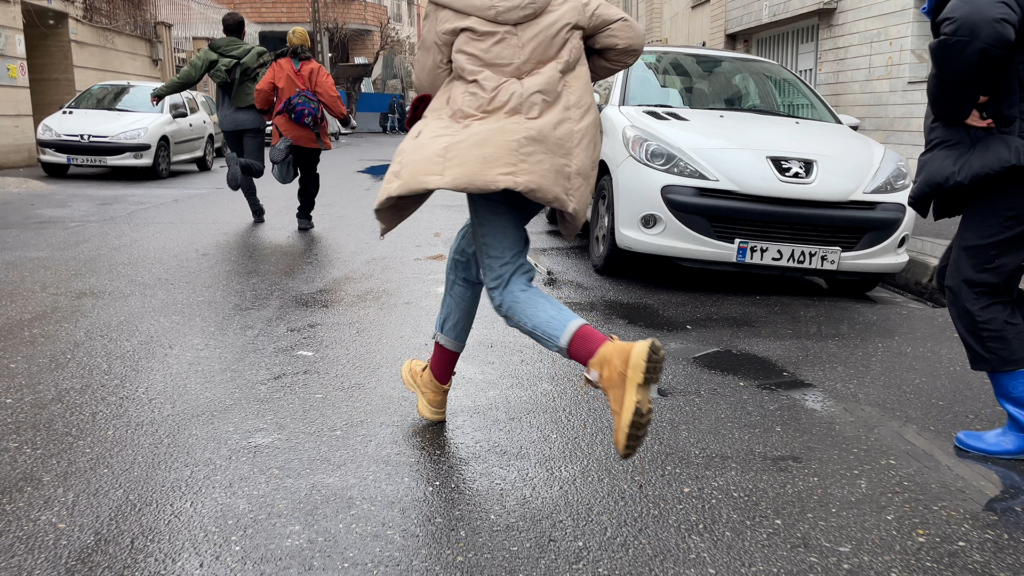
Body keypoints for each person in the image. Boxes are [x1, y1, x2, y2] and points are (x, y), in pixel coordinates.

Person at [374, 0, 656, 459]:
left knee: (506, 283)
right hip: (556, 146)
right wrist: (566, 74)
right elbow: (628, 40)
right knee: (469, 254)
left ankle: (610, 361)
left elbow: (428, 81)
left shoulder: (448, 8)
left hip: (490, 145)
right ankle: (436, 381)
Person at [913, 0, 1024, 459]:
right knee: (958, 275)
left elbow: (976, 23)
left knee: (975, 286)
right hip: (1007, 157)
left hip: (1013, 163)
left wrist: (954, 103)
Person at [151, 12, 271, 223]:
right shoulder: (259, 53)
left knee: (241, 165)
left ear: (223, 32)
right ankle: (239, 167)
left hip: (227, 120)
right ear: (244, 32)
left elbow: (187, 77)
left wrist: (161, 91)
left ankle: (256, 209)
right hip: (253, 119)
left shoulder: (210, 53)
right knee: (255, 167)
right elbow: (268, 87)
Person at [255, 27, 350, 231]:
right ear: (308, 45)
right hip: (310, 130)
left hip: (284, 128)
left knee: (288, 167)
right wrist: (344, 118)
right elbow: (330, 96)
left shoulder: (278, 66)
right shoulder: (316, 68)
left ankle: (286, 161)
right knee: (310, 173)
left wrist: (266, 112)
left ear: (288, 44)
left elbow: (262, 89)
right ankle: (304, 215)